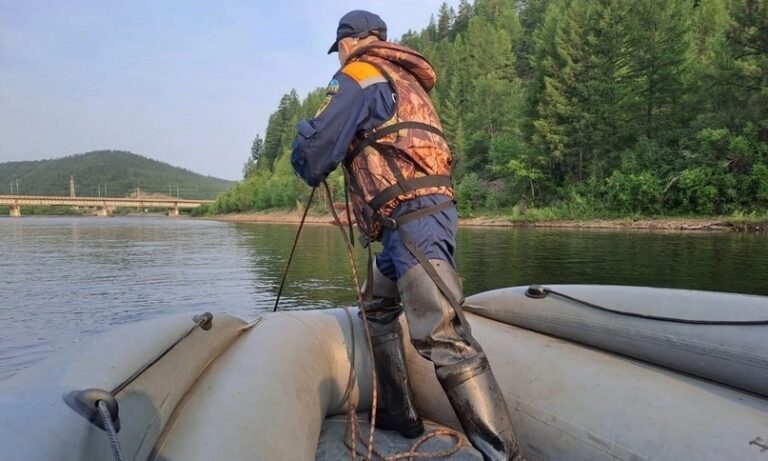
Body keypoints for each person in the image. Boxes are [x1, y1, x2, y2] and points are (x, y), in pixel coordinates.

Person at [290, 10, 524, 461]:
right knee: (376, 305)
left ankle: (504, 455)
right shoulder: (405, 80)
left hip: (414, 222)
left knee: (442, 334)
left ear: (348, 43)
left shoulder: (359, 73)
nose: (338, 56)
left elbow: (315, 152)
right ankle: (401, 418)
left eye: (338, 49)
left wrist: (303, 144)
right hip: (412, 222)